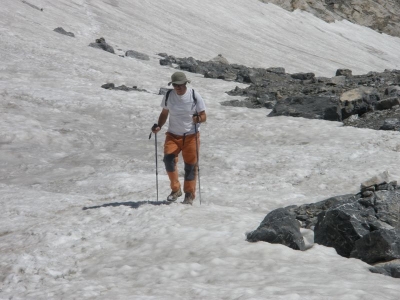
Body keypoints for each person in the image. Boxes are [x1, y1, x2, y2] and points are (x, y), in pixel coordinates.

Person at [151, 72, 207, 205]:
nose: (178, 87)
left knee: (190, 166)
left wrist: (198, 119)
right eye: (175, 85)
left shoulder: (194, 95)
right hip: (173, 135)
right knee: (168, 159)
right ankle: (176, 189)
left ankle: (189, 195)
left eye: (180, 85)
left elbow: (204, 116)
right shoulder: (169, 95)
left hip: (191, 135)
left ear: (185, 84)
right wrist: (159, 125)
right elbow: (164, 113)